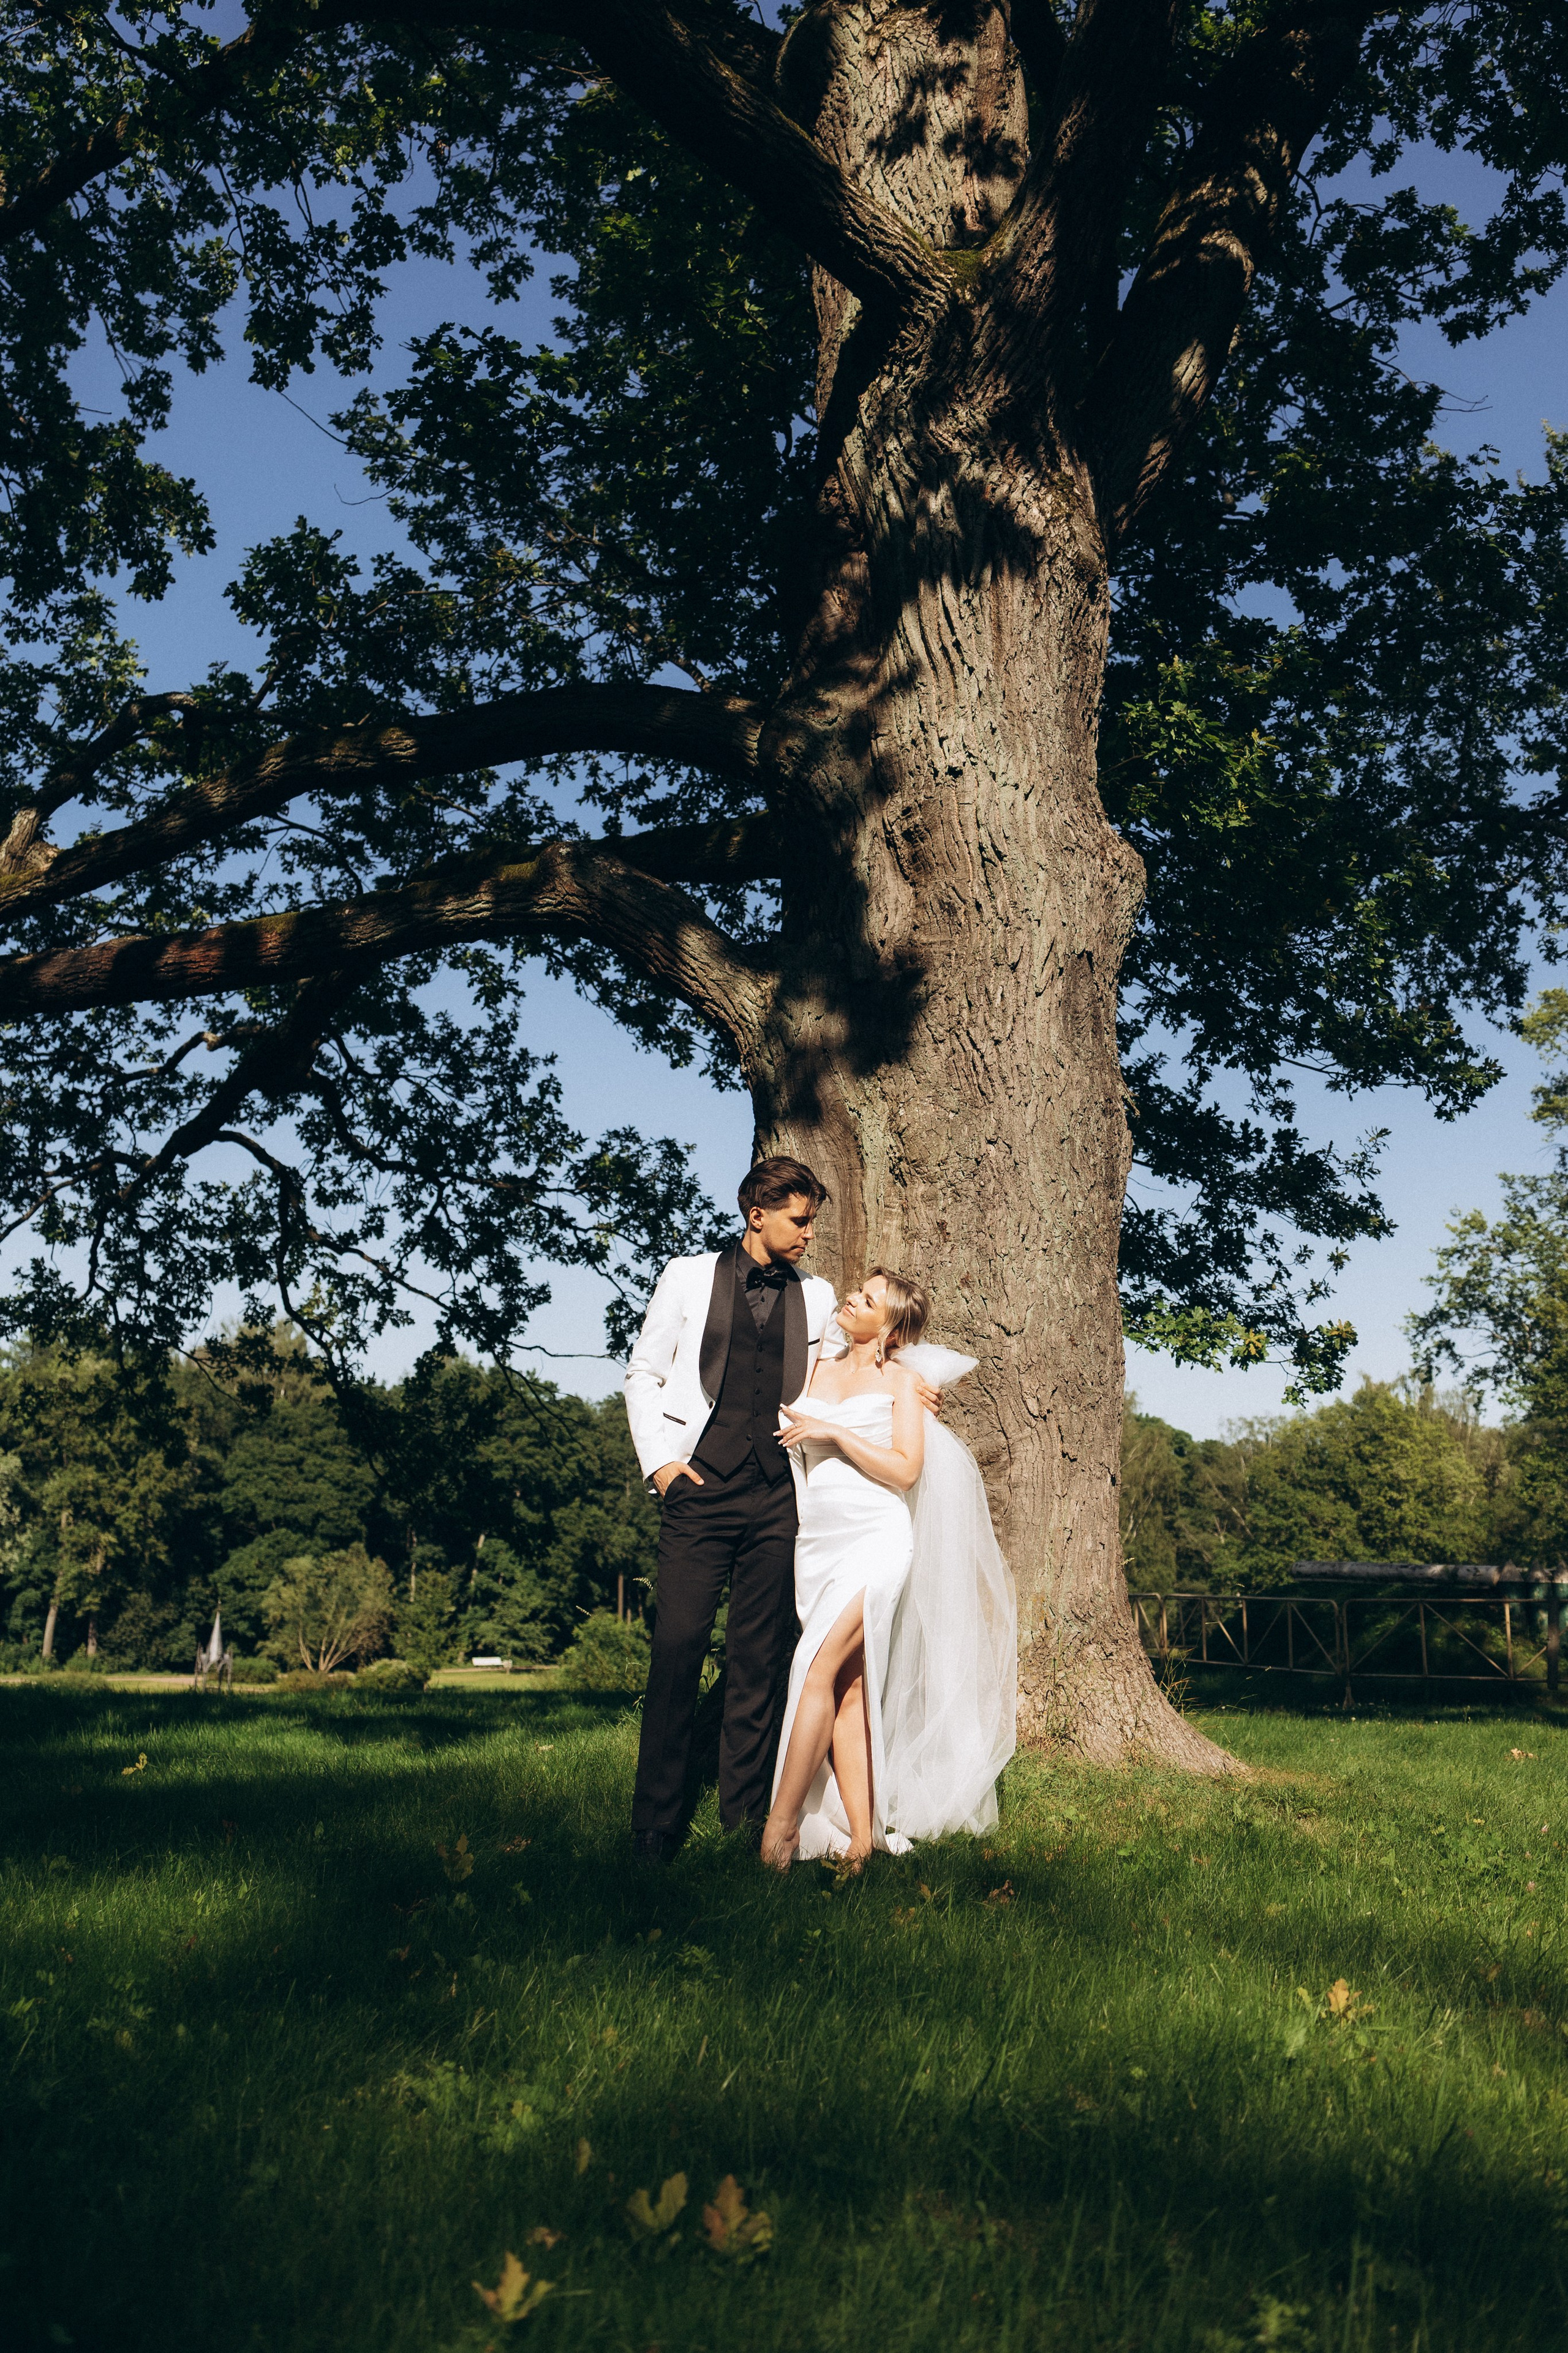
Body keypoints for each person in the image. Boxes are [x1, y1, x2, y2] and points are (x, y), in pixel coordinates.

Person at [760, 1269, 1017, 1870]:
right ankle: (860, 1838)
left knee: (812, 1665)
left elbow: (905, 1470)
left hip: (876, 1539)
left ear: (893, 1327)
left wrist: (835, 1432)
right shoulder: (814, 1366)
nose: (852, 1298)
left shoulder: (902, 1382)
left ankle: (781, 1830)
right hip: (817, 1543)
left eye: (868, 1299)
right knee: (847, 1689)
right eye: (857, 1291)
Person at [622, 1157, 838, 1865]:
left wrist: (909, 1393)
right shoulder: (686, 1275)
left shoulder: (821, 1296)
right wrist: (661, 1465)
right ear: (757, 1214)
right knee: (677, 1650)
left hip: (780, 1497)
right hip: (699, 1488)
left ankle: (742, 1818)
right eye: (800, 1219)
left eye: (811, 1220)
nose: (809, 1232)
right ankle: (655, 1822)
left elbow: (842, 1380)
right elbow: (645, 1373)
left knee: (756, 1660)